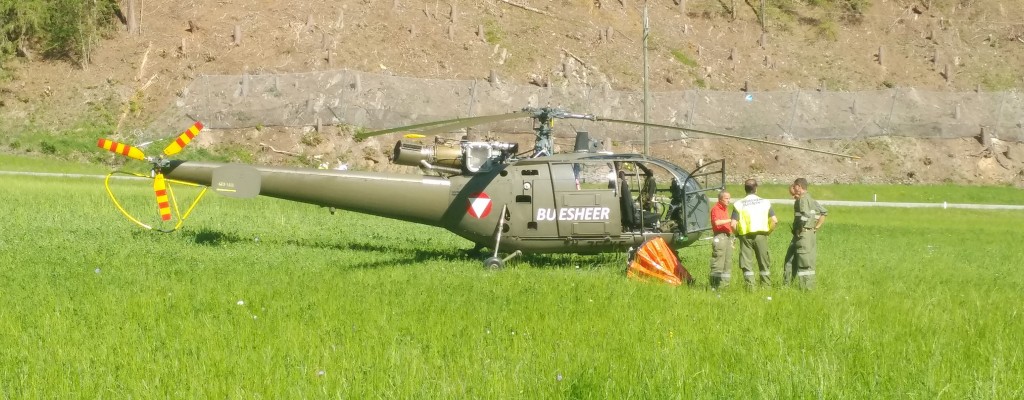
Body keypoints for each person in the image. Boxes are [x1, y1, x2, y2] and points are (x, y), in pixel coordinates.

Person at [731, 179, 778, 287]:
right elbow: (774, 220)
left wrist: (737, 234)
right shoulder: (765, 202)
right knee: (763, 262)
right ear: (756, 188)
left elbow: (733, 224)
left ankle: (750, 287)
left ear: (745, 189)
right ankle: (766, 286)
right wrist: (768, 232)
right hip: (761, 235)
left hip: (745, 236)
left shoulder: (738, 204)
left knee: (746, 263)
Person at [783, 178, 828, 289]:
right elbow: (824, 212)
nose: (793, 196)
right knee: (790, 259)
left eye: (794, 189)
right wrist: (816, 227)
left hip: (802, 234)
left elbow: (805, 215)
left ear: (798, 186)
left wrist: (799, 228)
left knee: (804, 262)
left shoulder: (803, 199)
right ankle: (787, 285)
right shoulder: (810, 199)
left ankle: (806, 289)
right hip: (806, 234)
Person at [708, 191, 734, 289]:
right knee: (718, 262)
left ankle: (724, 286)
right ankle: (714, 285)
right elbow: (717, 222)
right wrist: (731, 220)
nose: (729, 200)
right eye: (726, 198)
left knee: (727, 263)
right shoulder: (716, 209)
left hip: (727, 237)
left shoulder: (725, 209)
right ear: (720, 199)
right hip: (720, 237)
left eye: (729, 198)